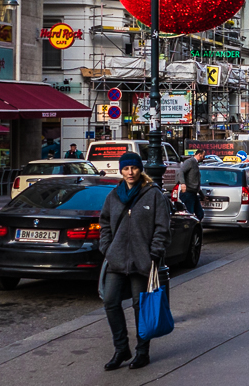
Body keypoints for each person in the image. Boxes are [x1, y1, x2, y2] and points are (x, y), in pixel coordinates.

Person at [98, 152, 171, 371]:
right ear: (121, 170)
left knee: (141, 307)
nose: (130, 172)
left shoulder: (153, 194)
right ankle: (121, 349)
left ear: (141, 170)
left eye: (134, 168)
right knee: (110, 301)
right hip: (116, 260)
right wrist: (107, 249)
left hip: (143, 261)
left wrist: (154, 253)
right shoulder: (114, 195)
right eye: (126, 169)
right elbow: (104, 224)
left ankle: (142, 352)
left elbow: (163, 227)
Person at [175, 152, 206, 219]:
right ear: (199, 154)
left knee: (200, 214)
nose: (204, 158)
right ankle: (188, 228)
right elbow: (181, 172)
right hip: (188, 193)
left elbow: (195, 182)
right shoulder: (190, 162)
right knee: (189, 215)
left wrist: (202, 195)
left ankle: (195, 228)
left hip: (193, 193)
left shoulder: (195, 164)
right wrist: (182, 183)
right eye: (203, 156)